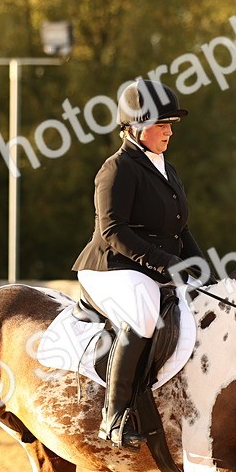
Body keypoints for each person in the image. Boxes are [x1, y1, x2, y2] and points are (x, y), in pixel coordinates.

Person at [72, 78, 206, 450]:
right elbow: (113, 229)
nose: (168, 131)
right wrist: (166, 264)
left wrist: (205, 271)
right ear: (136, 126)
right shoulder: (117, 169)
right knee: (145, 316)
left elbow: (180, 228)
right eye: (161, 124)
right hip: (111, 266)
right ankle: (113, 417)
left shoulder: (167, 168)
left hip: (149, 266)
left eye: (171, 125)